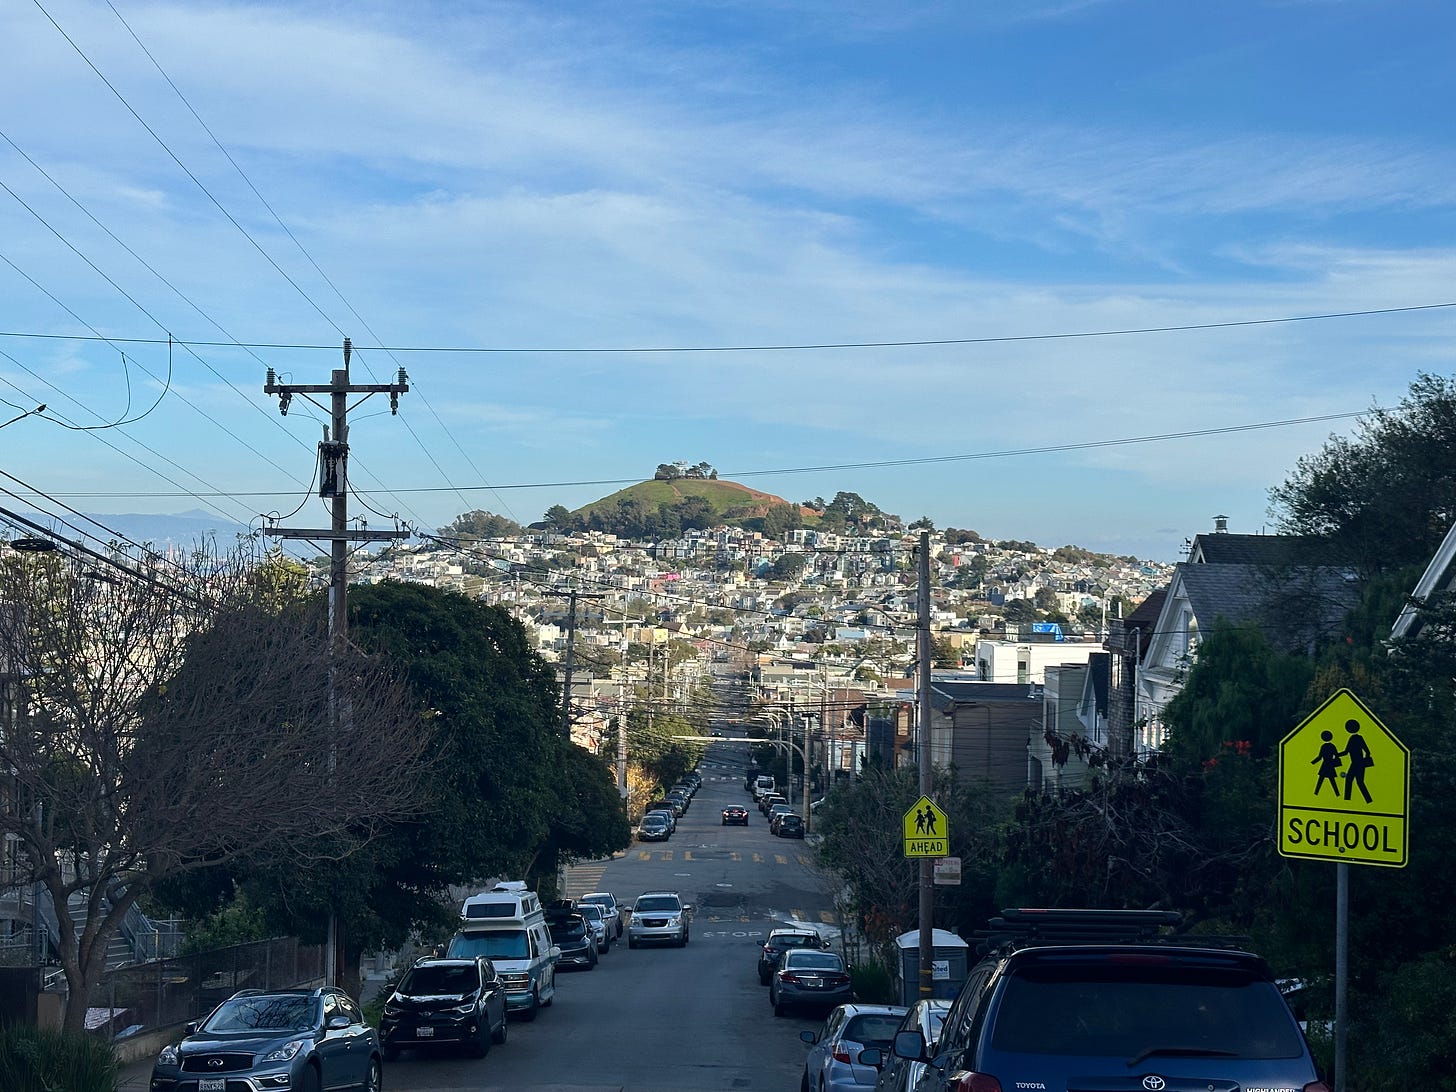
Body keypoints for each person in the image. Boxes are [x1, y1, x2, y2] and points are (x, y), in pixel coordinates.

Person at [1311, 729, 1341, 796]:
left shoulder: (1324, 746)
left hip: (1325, 765)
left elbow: (1320, 757)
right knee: (1329, 780)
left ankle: (1316, 793)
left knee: (1323, 779)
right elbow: (1336, 755)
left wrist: (1312, 762)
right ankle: (1337, 794)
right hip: (1330, 764)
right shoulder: (1332, 746)